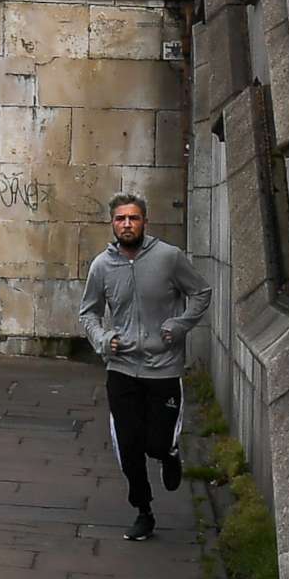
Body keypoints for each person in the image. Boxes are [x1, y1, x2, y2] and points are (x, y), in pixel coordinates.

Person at [76, 193, 213, 542]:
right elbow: (88, 312)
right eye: (121, 218)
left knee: (155, 441)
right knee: (129, 445)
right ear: (112, 223)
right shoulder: (101, 267)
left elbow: (201, 292)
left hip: (164, 368)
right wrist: (104, 340)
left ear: (144, 222)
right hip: (121, 369)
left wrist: (179, 325)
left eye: (133, 218)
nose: (127, 224)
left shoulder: (169, 258)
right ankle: (143, 511)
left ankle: (168, 452)